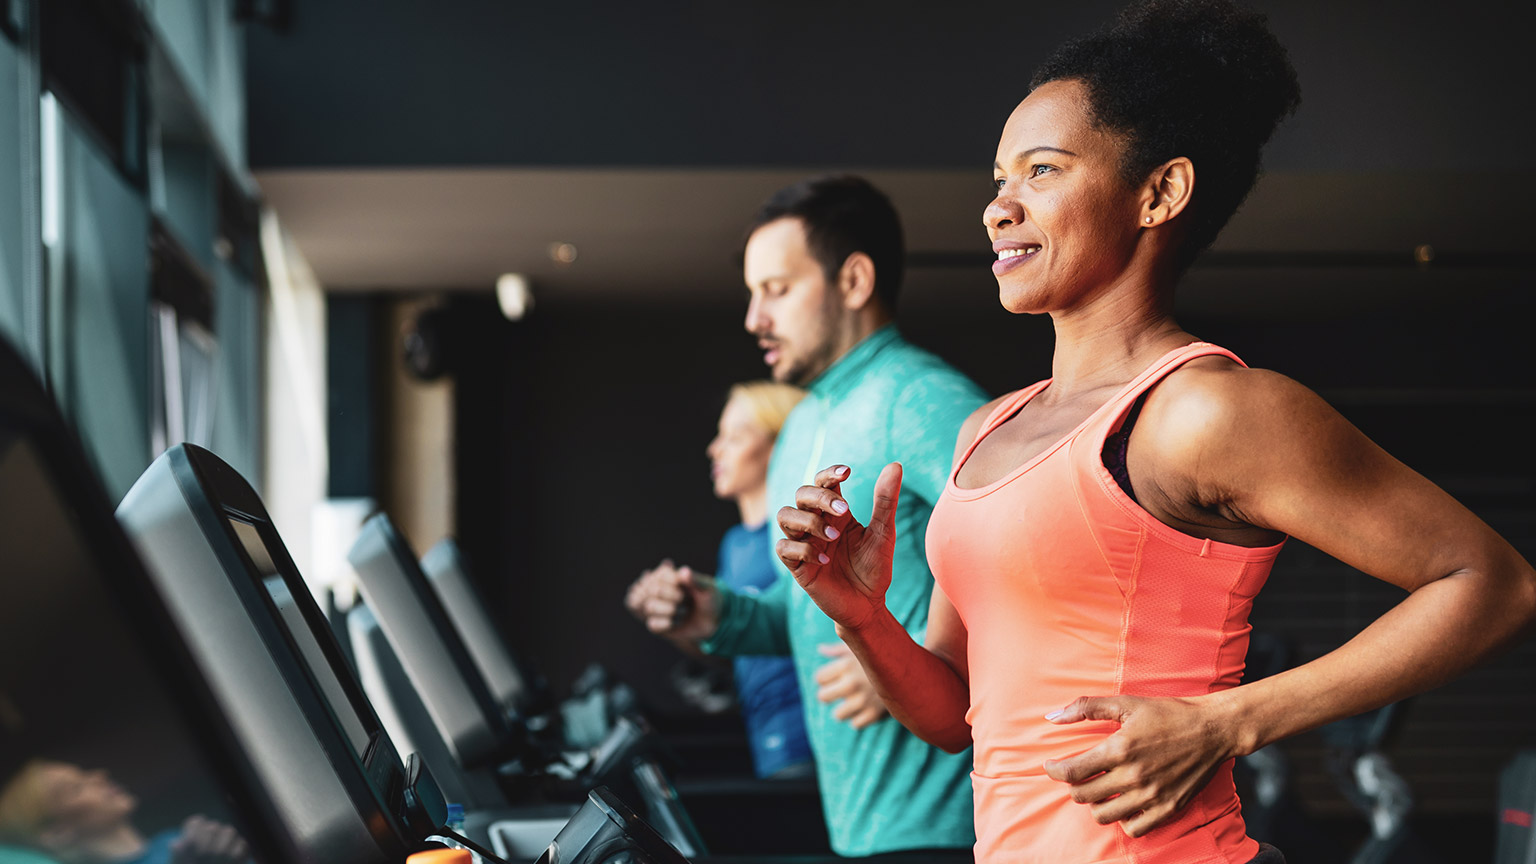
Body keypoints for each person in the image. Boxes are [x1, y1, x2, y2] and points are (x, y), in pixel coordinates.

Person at [772, 3, 1536, 863]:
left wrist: (1231, 720)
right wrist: (862, 617)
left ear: (1160, 192)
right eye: (998, 180)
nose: (998, 209)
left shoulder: (1204, 409)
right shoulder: (987, 429)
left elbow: (1494, 583)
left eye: (1042, 171)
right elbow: (955, 717)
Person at [627, 175, 986, 856]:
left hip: (948, 828)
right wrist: (717, 615)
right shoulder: (803, 424)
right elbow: (807, 620)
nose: (753, 318)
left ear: (853, 281)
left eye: (777, 290)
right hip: (857, 827)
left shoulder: (921, 396)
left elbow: (1022, 547)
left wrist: (900, 657)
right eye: (752, 293)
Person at [627, 381, 815, 779]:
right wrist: (671, 621)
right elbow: (734, 648)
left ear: (784, 444)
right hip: (763, 735)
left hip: (808, 738)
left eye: (736, 436)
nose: (715, 449)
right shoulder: (736, 543)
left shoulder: (799, 537)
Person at [0, 760, 250, 864]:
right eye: (75, 788)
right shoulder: (186, 846)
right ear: (56, 832)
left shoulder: (175, 837)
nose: (99, 776)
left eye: (85, 773)